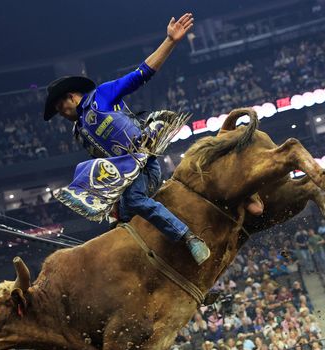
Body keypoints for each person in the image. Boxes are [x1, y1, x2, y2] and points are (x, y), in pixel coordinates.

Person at [44, 12, 211, 264]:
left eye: (59, 108)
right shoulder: (79, 132)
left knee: (134, 200)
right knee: (119, 222)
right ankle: (169, 266)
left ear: (70, 97)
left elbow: (141, 74)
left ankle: (188, 237)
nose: (61, 114)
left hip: (143, 162)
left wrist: (171, 41)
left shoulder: (101, 96)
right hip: (125, 179)